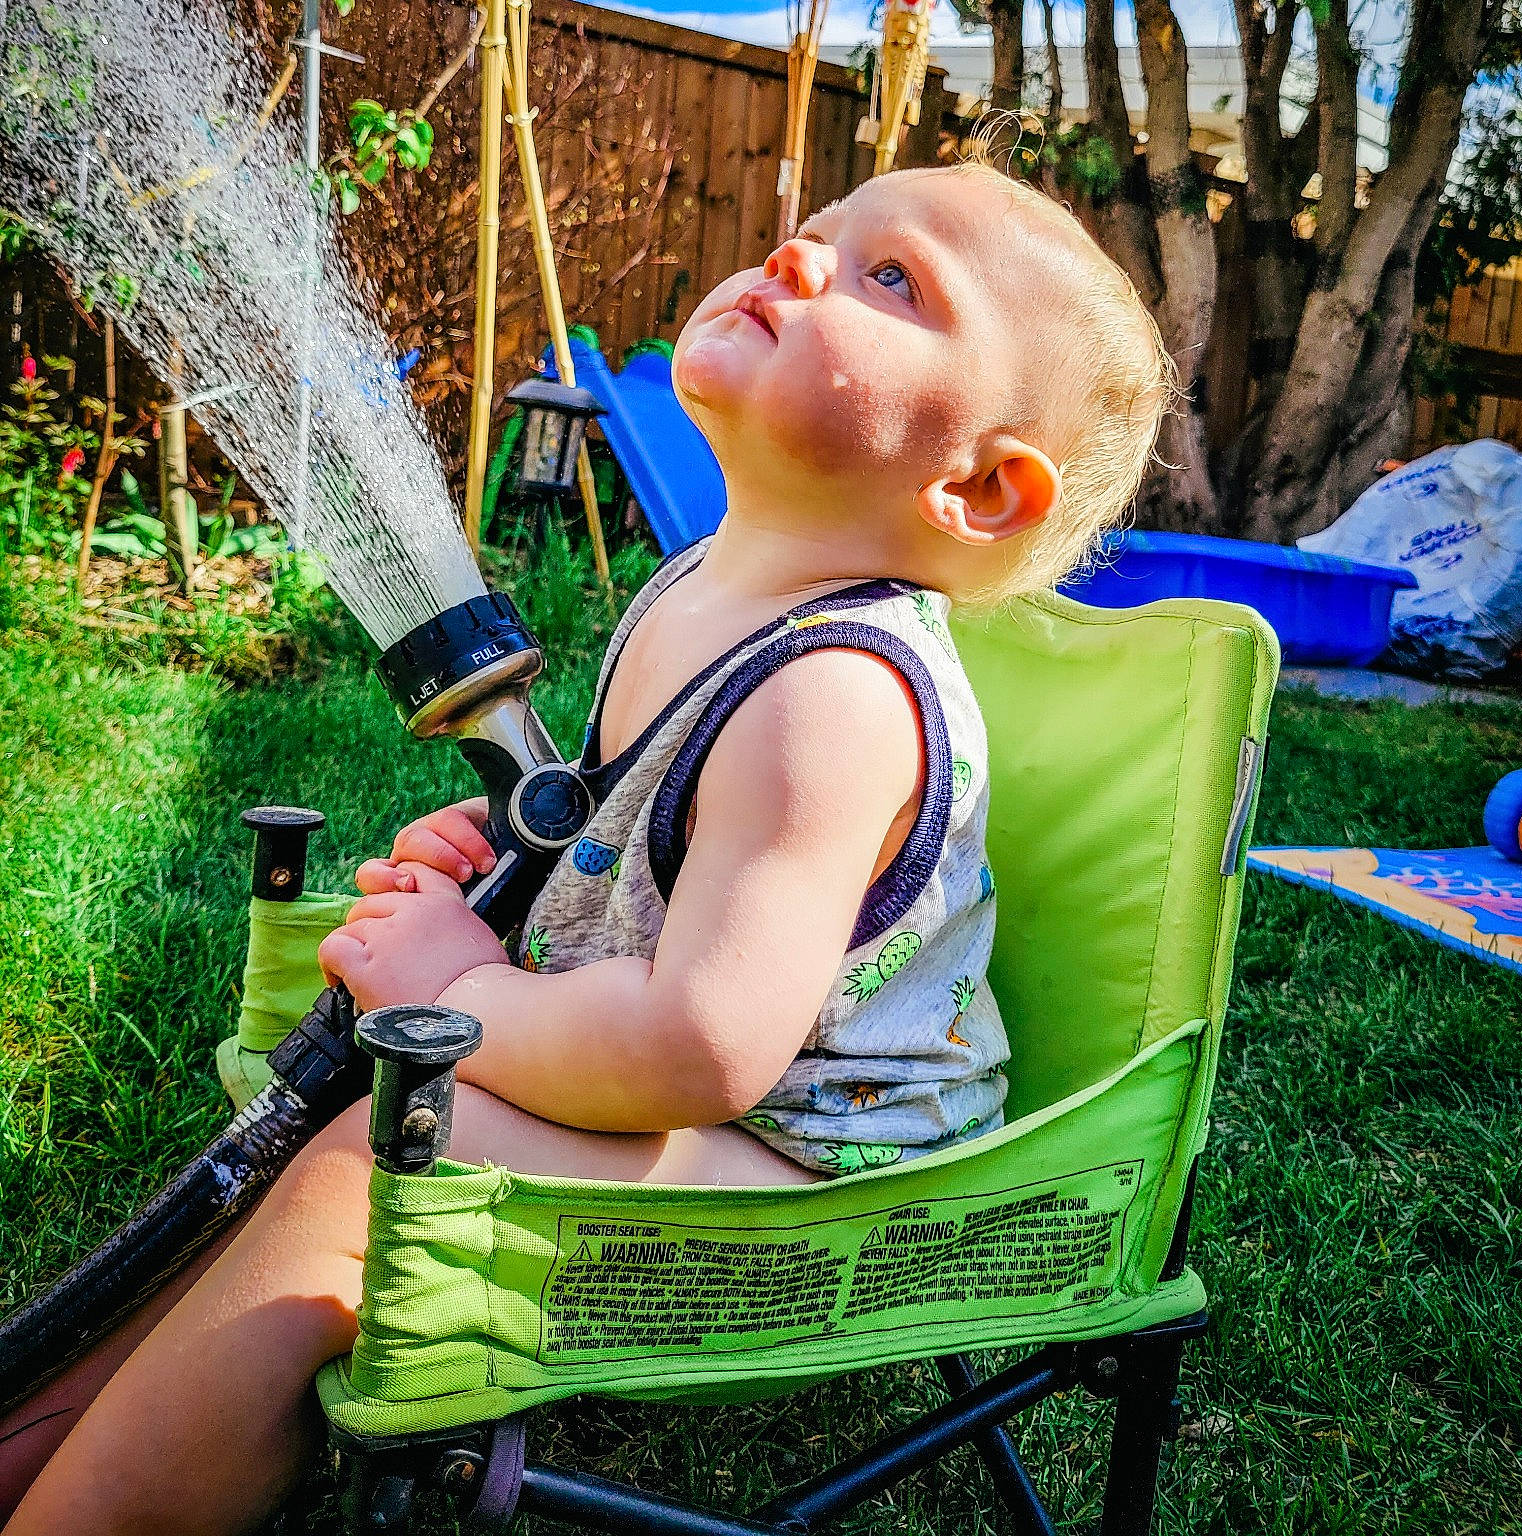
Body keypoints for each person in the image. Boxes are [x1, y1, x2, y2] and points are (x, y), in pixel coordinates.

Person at [2, 163, 1173, 1534]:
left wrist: (470, 995)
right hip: (709, 1104)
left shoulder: (835, 699)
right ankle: (50, 1436)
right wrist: (512, 849)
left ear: (977, 487)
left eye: (891, 278)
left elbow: (701, 1048)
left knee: (381, 1172)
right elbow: (638, 830)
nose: (795, 262)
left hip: (827, 1174)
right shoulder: (703, 583)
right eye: (812, 236)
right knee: (326, 1132)